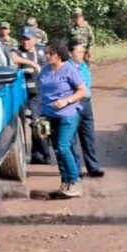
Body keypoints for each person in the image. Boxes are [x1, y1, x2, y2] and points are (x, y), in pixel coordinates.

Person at [36, 42, 88, 199]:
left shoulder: (69, 70)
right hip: (48, 115)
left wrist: (67, 100)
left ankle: (75, 180)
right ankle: (65, 181)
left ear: (58, 55)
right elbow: (42, 91)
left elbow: (82, 91)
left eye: (49, 53)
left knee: (64, 147)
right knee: (57, 149)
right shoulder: (45, 70)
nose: (46, 56)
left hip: (68, 114)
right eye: (45, 53)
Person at [11, 27, 51, 164]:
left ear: (34, 39)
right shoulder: (18, 51)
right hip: (24, 94)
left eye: (28, 39)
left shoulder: (41, 50)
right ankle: (41, 154)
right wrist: (31, 63)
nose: (25, 42)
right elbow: (12, 57)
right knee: (30, 124)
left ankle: (39, 155)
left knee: (40, 123)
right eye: (23, 39)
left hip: (40, 94)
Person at [68, 41, 104, 178]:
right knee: (71, 139)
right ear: (70, 53)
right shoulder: (67, 68)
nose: (82, 54)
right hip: (73, 105)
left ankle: (93, 166)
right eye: (79, 52)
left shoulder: (84, 66)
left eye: (83, 52)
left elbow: (88, 84)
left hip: (86, 104)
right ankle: (75, 169)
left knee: (89, 137)